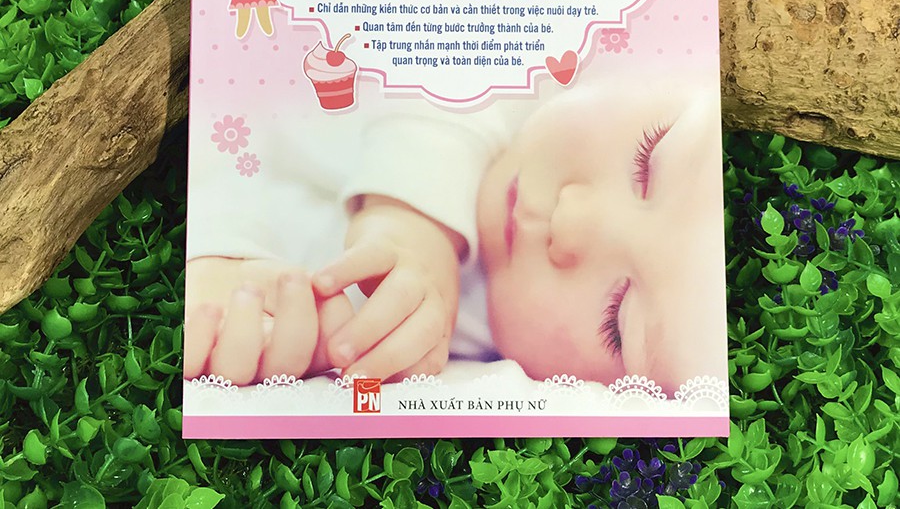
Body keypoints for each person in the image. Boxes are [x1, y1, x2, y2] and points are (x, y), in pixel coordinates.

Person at [184, 75, 727, 395]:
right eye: (648, 160)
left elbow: (246, 203)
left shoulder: (460, 344)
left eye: (617, 322)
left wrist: (237, 279)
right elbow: (447, 63)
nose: (571, 220)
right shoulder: (550, 62)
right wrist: (411, 218)